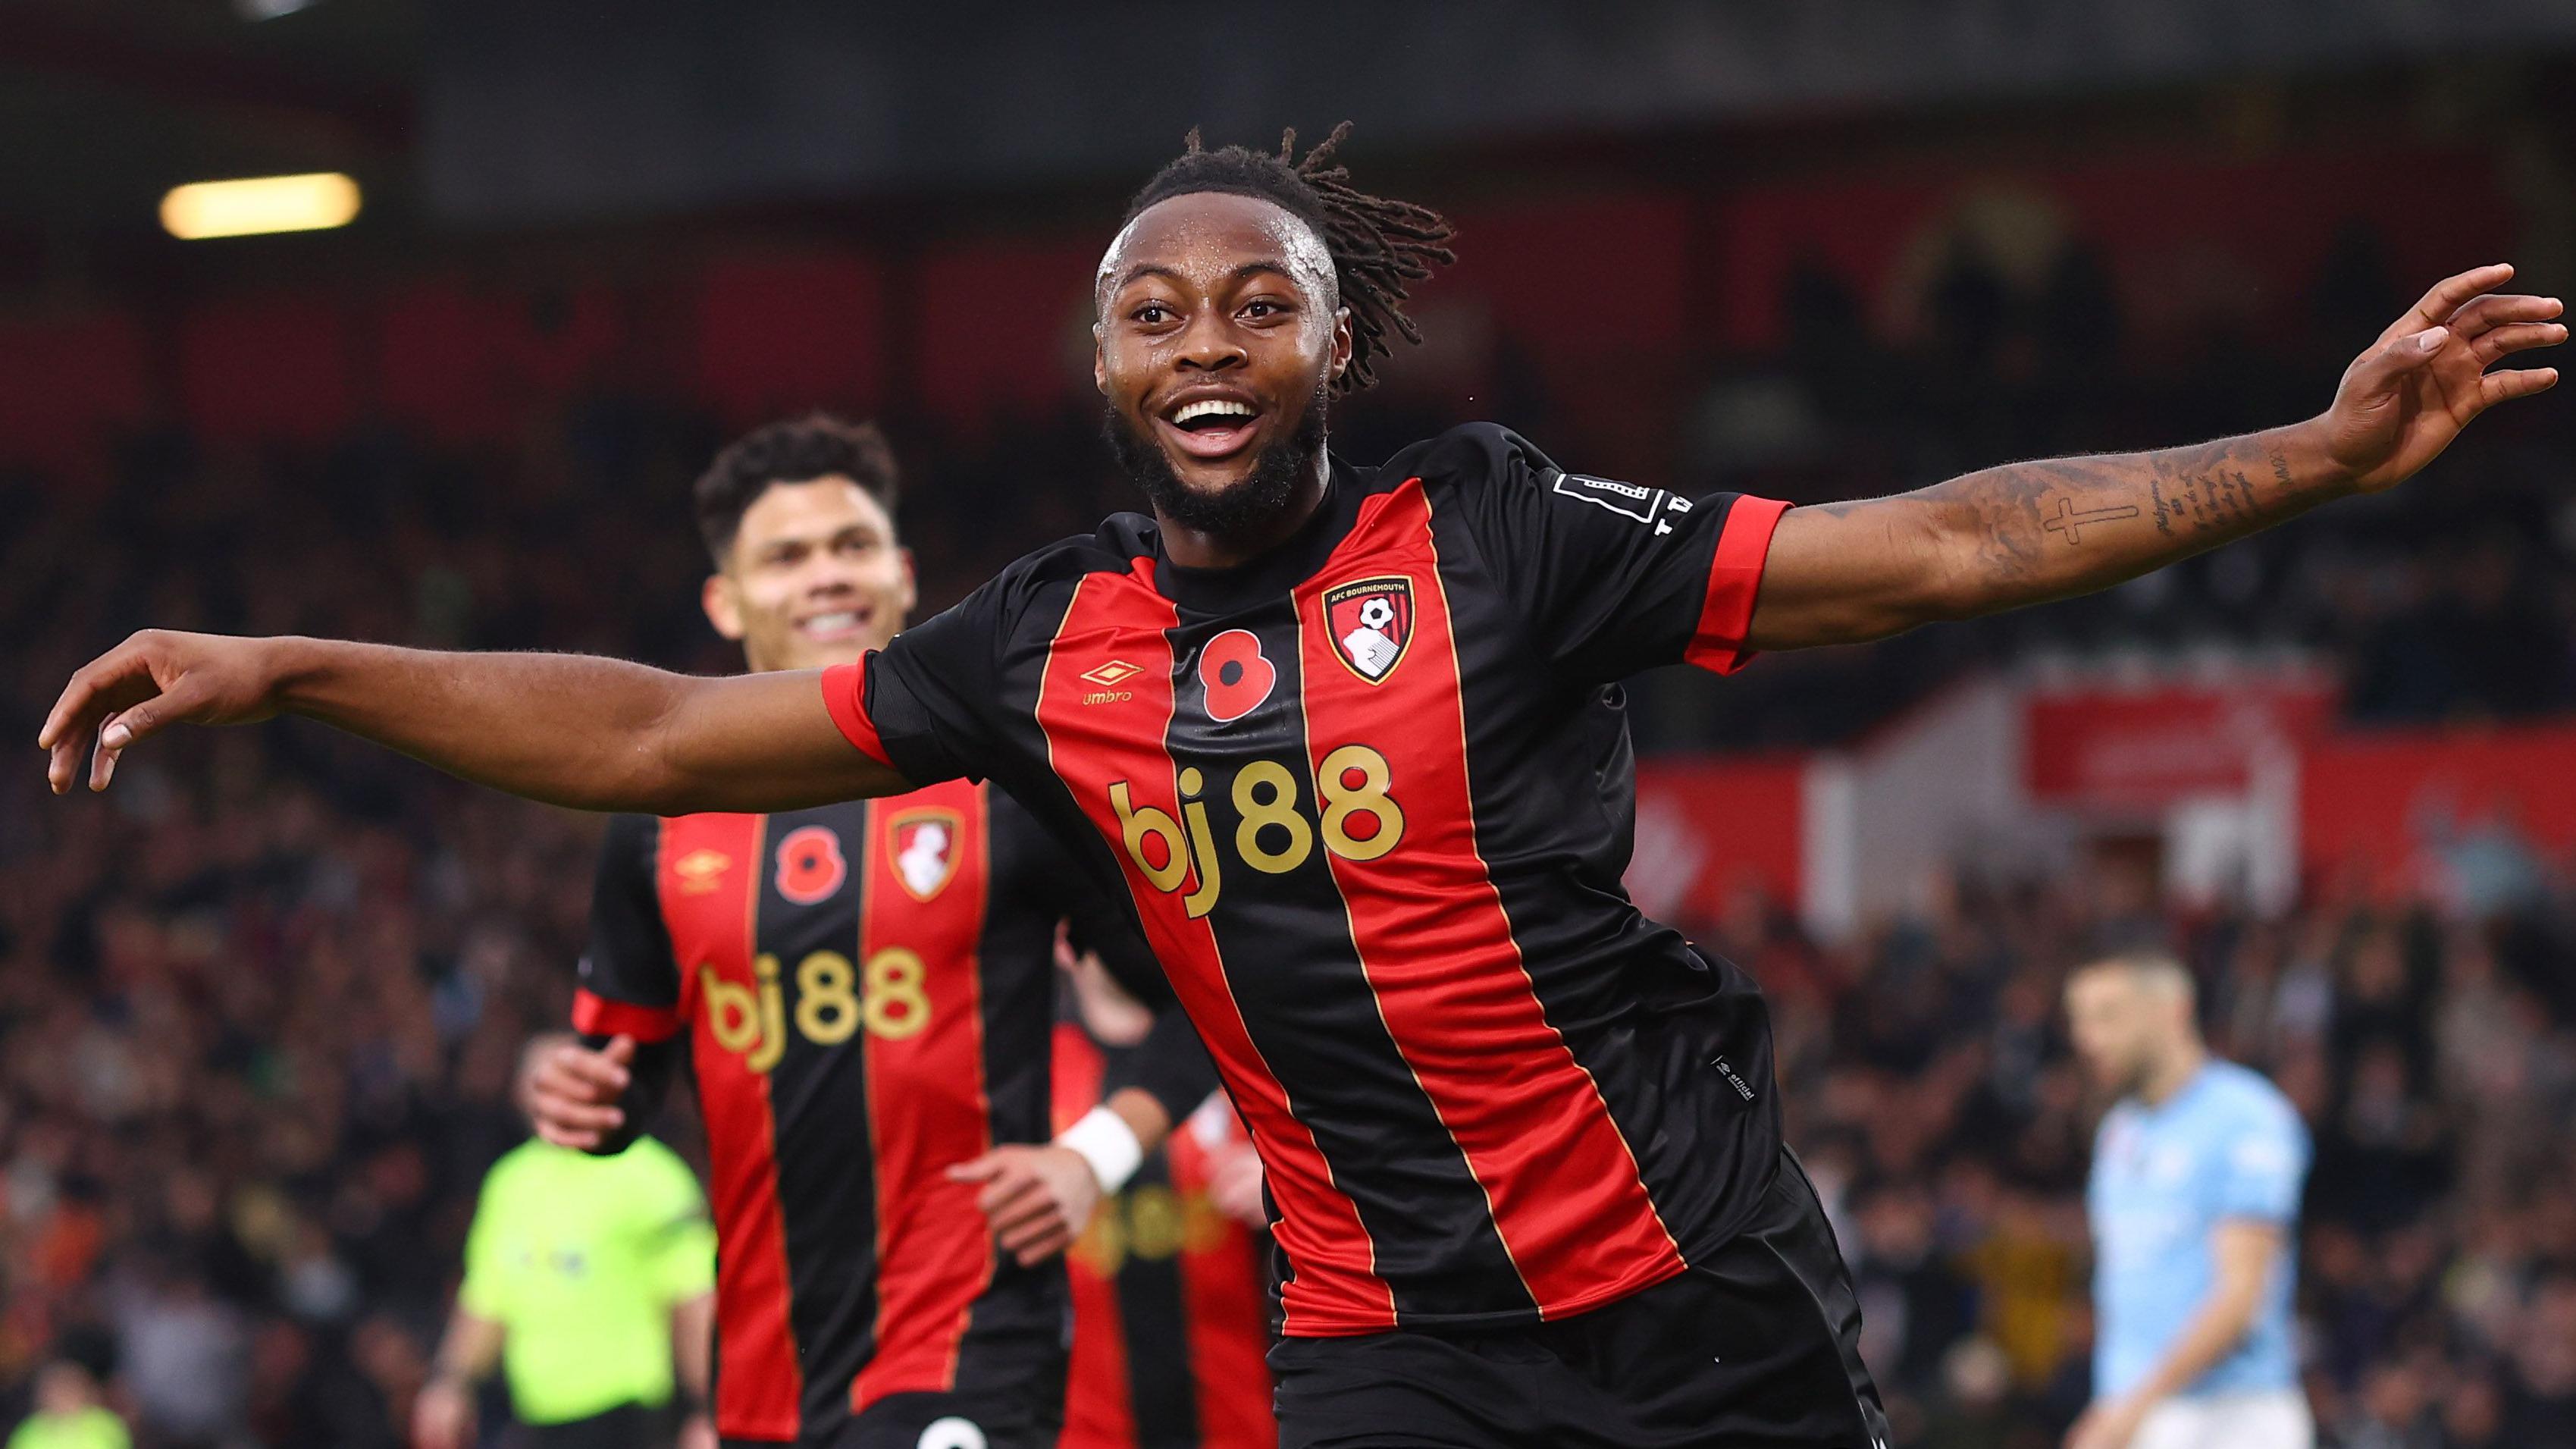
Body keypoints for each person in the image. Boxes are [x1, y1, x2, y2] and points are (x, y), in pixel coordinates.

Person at [39, 123, 2561, 1445]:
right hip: (1388, 1343)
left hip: (1694, 1299)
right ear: (1104, 371)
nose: (1206, 336)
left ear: (1336, 339)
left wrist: (2305, 464)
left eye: (1257, 298)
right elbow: (651, 736)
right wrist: (290, 663)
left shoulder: (1494, 527)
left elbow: (1926, 555)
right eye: (1155, 310)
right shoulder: (1038, 645)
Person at [515, 415, 1215, 1448]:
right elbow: (625, 1073)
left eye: (850, 545)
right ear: (725, 598)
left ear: (900, 571)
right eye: (786, 555)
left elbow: (1208, 989)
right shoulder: (659, 830)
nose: (825, 575)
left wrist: (1095, 1154)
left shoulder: (1005, 784)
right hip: (765, 1372)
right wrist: (586, 1097)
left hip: (970, 1338)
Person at [412, 1034, 718, 1449]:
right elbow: (487, 1297)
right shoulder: (510, 1183)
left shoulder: (650, 1175)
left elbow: (693, 1298)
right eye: (538, 1081)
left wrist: (707, 1410)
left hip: (630, 1416)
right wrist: (450, 1383)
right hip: (539, 1417)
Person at [2064, 955, 2314, 1449]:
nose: (2088, 1038)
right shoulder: (2119, 1131)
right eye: (2080, 1019)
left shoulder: (2246, 1118)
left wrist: (2133, 1407)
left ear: (2172, 1010)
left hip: (2232, 1417)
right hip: (2136, 1411)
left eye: (2109, 1015)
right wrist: (2116, 1404)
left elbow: (2240, 1296)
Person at [1049, 934, 1273, 1449]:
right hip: (1086, 1432)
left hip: (1245, 1424)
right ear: (1065, 940)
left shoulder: (1246, 1055)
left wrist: (1292, 1187)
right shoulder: (1030, 1071)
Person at [5, 1361, 128, 1449]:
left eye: (69, 1389)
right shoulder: (27, 1433)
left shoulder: (107, 1426)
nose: (62, 1396)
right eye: (56, 1391)